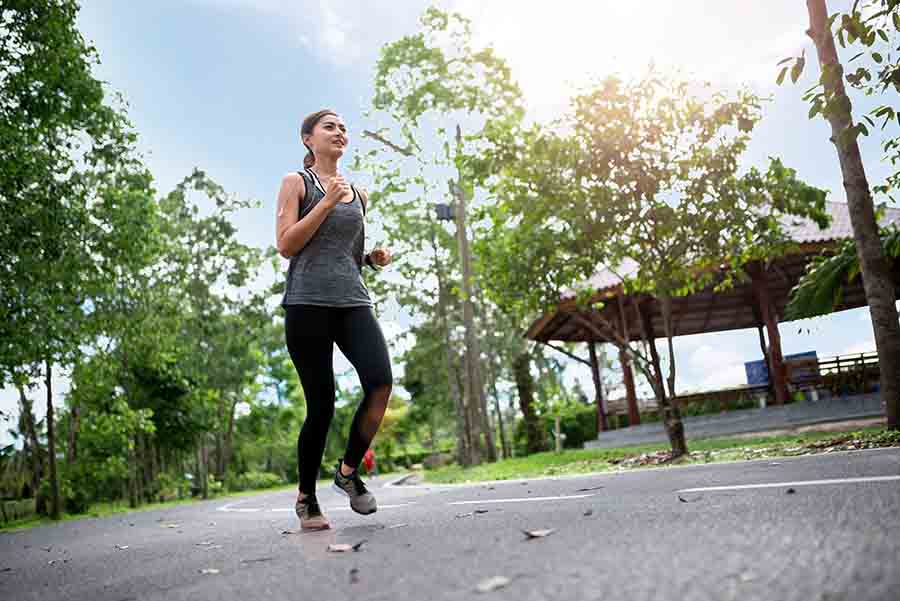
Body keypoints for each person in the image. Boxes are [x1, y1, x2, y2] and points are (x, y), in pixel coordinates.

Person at [275, 109, 394, 531]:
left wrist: (370, 258)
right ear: (309, 139)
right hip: (306, 303)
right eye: (330, 126)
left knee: (380, 383)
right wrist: (325, 202)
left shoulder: (359, 193)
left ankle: (346, 472)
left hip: (352, 300)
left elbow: (340, 253)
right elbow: (287, 245)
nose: (339, 132)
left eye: (343, 127)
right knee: (321, 405)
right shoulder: (297, 183)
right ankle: (306, 498)